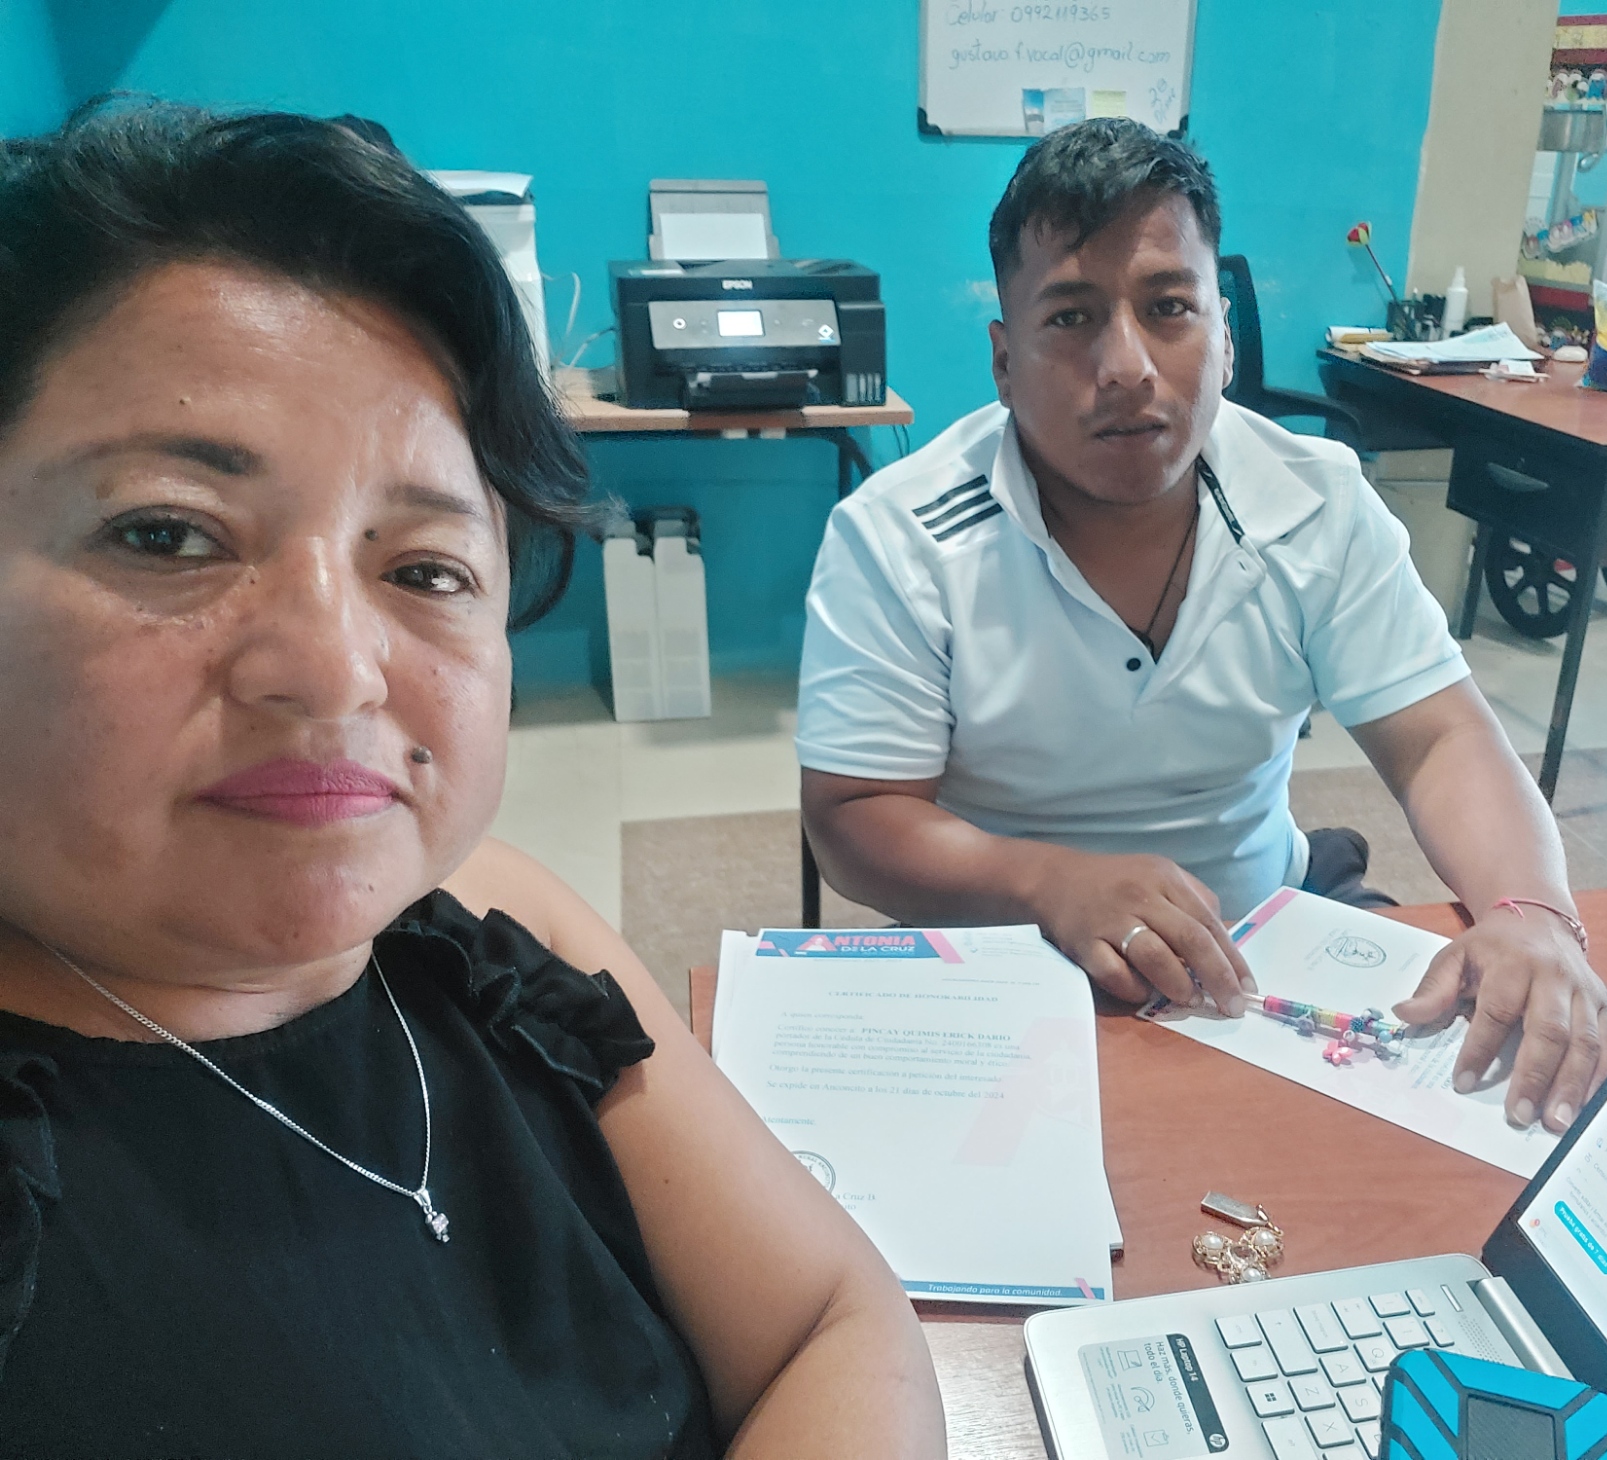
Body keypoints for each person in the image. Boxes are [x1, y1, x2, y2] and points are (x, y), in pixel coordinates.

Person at [0, 102, 945, 1458]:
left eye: (425, 568)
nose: (336, 671)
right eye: (168, 534)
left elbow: (830, 1321)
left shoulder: (490, 929)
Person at [795, 120, 1607, 1134]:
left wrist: (1529, 911)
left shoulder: (1315, 503)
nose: (1126, 365)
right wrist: (1046, 880)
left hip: (1259, 943)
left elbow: (1438, 736)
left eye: (1168, 307)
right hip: (997, 947)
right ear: (1004, 361)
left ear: (1222, 334)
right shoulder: (898, 538)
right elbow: (853, 817)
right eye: (1070, 317)